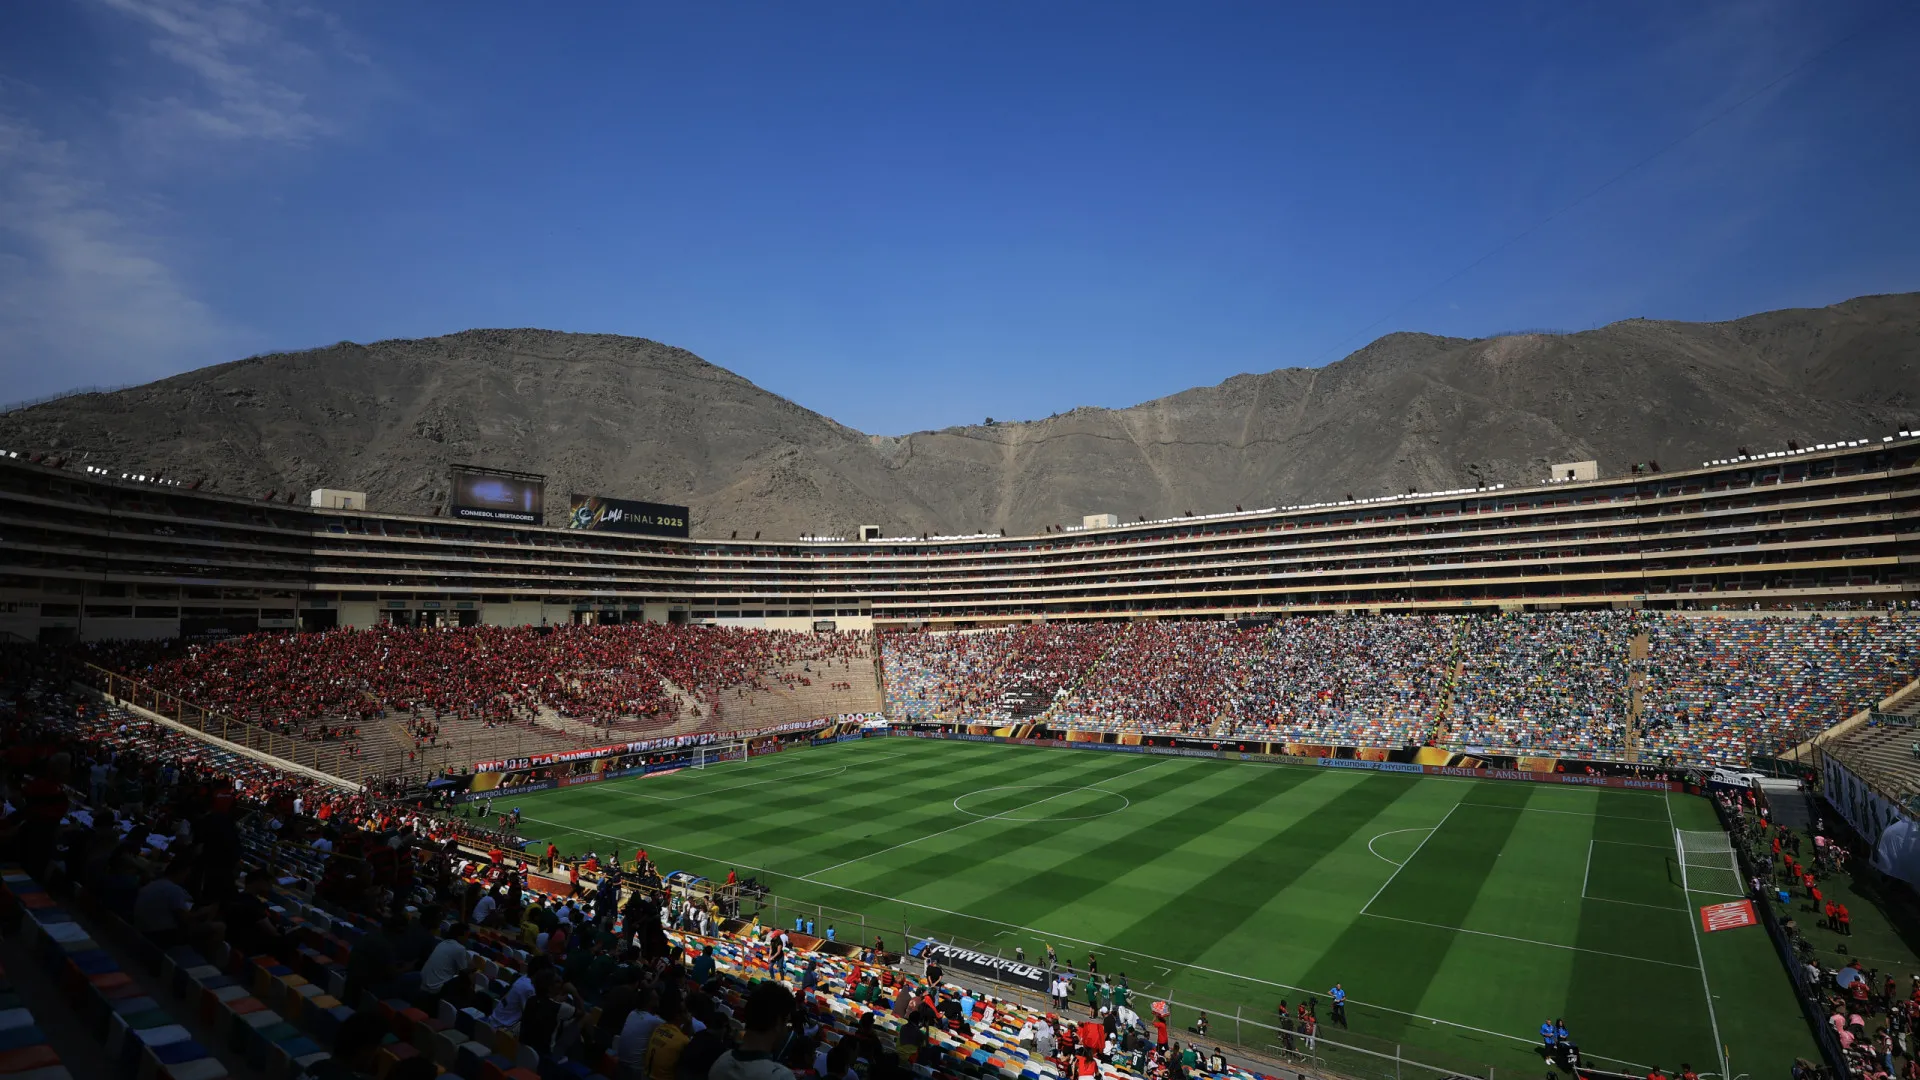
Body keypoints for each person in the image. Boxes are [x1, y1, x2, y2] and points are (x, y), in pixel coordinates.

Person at [711, 981, 798, 1080]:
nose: (786, 1029)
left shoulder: (720, 1063)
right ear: (778, 1022)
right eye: (786, 1022)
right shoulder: (781, 1076)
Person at [421, 922, 474, 1006]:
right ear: (459, 936)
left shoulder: (442, 943)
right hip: (435, 989)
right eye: (466, 936)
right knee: (467, 982)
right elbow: (464, 973)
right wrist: (472, 968)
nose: (467, 939)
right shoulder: (460, 948)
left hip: (422, 983)